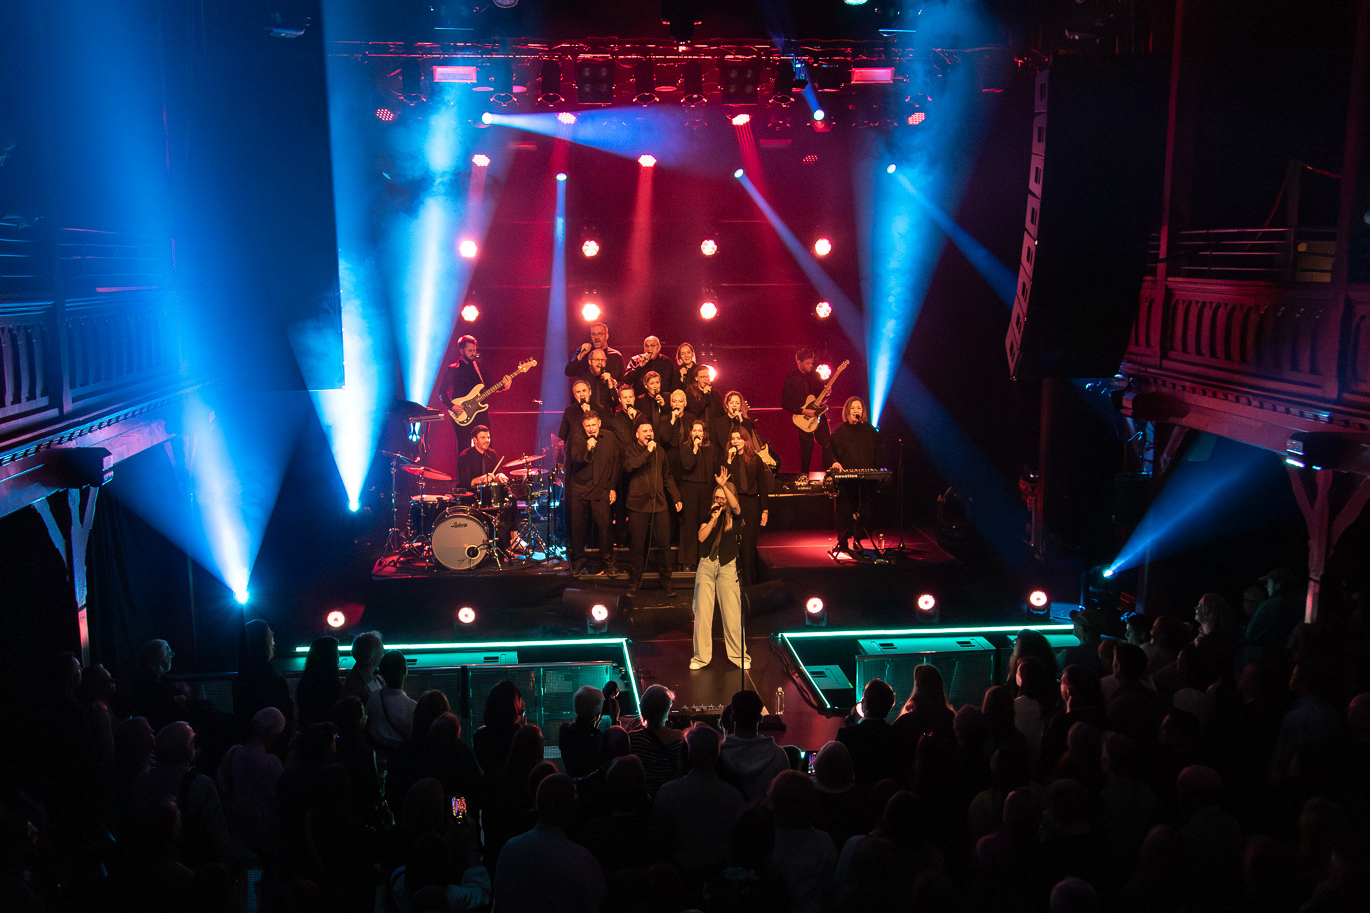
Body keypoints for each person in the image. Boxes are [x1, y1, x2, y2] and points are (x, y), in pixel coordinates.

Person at [493, 773, 606, 913]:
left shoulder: (509, 849)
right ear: (572, 807)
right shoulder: (581, 859)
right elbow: (596, 902)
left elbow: (500, 901)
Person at [691, 473, 748, 669]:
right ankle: (700, 658)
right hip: (707, 565)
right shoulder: (710, 514)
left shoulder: (736, 516)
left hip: (727, 565)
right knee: (702, 614)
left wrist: (724, 486)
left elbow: (736, 506)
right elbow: (701, 537)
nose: (720, 501)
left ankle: (739, 656)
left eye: (723, 498)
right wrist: (713, 521)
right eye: (717, 497)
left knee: (732, 614)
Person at [622, 420, 683, 596]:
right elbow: (629, 467)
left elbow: (667, 476)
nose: (649, 433)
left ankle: (667, 581)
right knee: (637, 547)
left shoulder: (660, 451)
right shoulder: (631, 450)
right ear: (637, 435)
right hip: (637, 505)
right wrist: (647, 452)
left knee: (664, 545)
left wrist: (676, 497)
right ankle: (635, 582)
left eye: (650, 430)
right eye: (645, 431)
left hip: (659, 504)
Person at [828, 396, 882, 557]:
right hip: (846, 478)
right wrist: (835, 462)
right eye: (853, 408)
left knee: (864, 508)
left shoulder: (869, 431)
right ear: (847, 411)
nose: (856, 411)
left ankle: (858, 539)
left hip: (865, 477)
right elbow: (830, 450)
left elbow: (878, 450)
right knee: (845, 509)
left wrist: (878, 471)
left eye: (859, 408)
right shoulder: (840, 431)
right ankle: (843, 541)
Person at [568, 412, 619, 577]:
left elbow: (615, 463)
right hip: (580, 488)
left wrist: (612, 487)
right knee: (578, 527)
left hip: (601, 488)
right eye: (587, 426)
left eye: (593, 425)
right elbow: (576, 458)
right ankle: (579, 560)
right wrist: (587, 447)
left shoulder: (609, 437)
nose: (591, 429)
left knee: (605, 527)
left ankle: (608, 560)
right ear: (583, 426)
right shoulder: (578, 438)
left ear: (599, 423)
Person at [718, 690, 789, 799]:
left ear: (732, 717)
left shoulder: (718, 753)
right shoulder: (778, 754)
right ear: (760, 718)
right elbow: (785, 795)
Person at [724, 427, 771, 585]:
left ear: (745, 440)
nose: (735, 441)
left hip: (751, 503)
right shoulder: (729, 460)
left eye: (738, 438)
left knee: (749, 544)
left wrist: (765, 510)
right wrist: (729, 459)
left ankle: (750, 582)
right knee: (733, 543)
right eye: (733, 438)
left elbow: (762, 486)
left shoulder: (755, 459)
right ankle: (733, 582)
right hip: (734, 503)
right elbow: (724, 481)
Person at [232, 619, 292, 741]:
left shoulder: (239, 679)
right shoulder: (274, 680)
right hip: (275, 741)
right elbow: (285, 714)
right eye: (270, 634)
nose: (273, 638)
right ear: (264, 642)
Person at [782, 347, 835, 474]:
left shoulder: (815, 376)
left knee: (827, 443)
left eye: (812, 362)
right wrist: (803, 411)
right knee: (807, 447)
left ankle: (829, 473)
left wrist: (827, 394)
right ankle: (804, 474)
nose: (811, 365)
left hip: (818, 415)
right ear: (799, 362)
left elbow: (821, 399)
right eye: (808, 363)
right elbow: (785, 403)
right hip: (803, 418)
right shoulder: (791, 378)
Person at [677, 419, 714, 571]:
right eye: (694, 430)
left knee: (704, 522)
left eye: (700, 430)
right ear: (690, 433)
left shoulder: (711, 449)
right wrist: (694, 448)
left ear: (705, 433)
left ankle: (703, 557)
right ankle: (688, 560)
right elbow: (688, 465)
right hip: (689, 488)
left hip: (706, 489)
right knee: (689, 524)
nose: (697, 433)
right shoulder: (685, 448)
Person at [366, 650, 417, 753]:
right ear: (405, 671)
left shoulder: (372, 699)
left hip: (377, 754)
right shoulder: (413, 707)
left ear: (381, 672)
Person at [439, 334, 493, 430]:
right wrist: (452, 406)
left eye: (475, 350)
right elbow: (441, 392)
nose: (473, 353)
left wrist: (503, 386)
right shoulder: (453, 369)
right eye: (470, 351)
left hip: (480, 413)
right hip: (461, 413)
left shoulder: (479, 367)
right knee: (465, 440)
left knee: (486, 439)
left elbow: (491, 386)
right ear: (461, 351)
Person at [295, 636, 341, 728]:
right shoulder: (332, 685)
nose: (339, 656)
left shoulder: (305, 683)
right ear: (330, 657)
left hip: (309, 731)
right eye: (337, 652)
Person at [711, 390, 759, 463]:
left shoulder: (746, 422)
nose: (734, 405)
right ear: (727, 405)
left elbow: (748, 440)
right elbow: (715, 445)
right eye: (731, 403)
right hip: (724, 460)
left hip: (742, 460)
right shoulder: (718, 422)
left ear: (740, 406)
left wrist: (741, 421)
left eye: (737, 403)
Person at [341, 630, 384, 705]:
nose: (383, 655)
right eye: (381, 652)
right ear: (371, 659)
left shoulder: (367, 676)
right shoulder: (355, 687)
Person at [557, 378, 604, 444]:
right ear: (575, 395)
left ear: (590, 392)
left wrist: (588, 413)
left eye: (584, 391)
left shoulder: (599, 409)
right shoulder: (569, 411)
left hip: (595, 446)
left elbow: (604, 432)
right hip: (575, 448)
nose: (582, 394)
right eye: (578, 392)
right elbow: (562, 436)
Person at [582, 349, 619, 415]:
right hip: (590, 418)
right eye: (597, 359)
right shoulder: (583, 382)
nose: (600, 362)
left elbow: (616, 402)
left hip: (607, 418)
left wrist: (610, 384)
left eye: (603, 360)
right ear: (590, 362)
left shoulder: (610, 380)